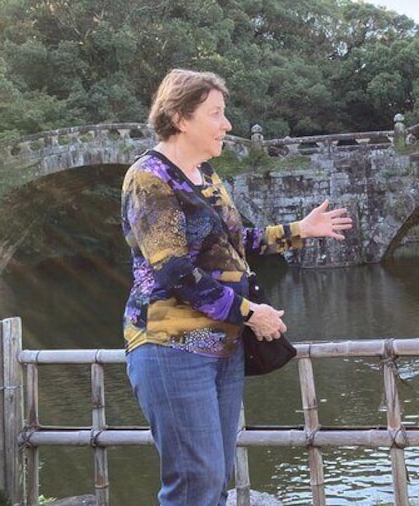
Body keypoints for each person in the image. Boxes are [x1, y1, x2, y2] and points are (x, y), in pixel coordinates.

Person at [120, 69, 352, 506]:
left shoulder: (205, 175)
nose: (227, 124)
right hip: (172, 347)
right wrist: (250, 312)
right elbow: (173, 269)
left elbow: (231, 242)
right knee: (194, 482)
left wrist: (299, 229)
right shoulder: (150, 178)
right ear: (180, 117)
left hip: (220, 346)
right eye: (216, 114)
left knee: (214, 478)